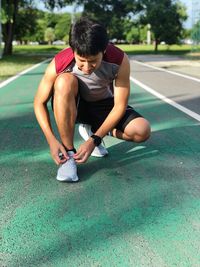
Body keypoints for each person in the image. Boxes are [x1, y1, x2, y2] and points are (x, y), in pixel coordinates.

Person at [34, 17, 151, 182]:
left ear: (104, 51)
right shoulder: (61, 61)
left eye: (93, 61)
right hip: (76, 106)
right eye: (81, 61)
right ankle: (69, 155)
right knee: (64, 81)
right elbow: (39, 102)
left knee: (142, 131)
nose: (87, 67)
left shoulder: (119, 59)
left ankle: (94, 130)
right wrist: (51, 140)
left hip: (103, 106)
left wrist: (95, 140)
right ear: (73, 50)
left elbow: (119, 106)